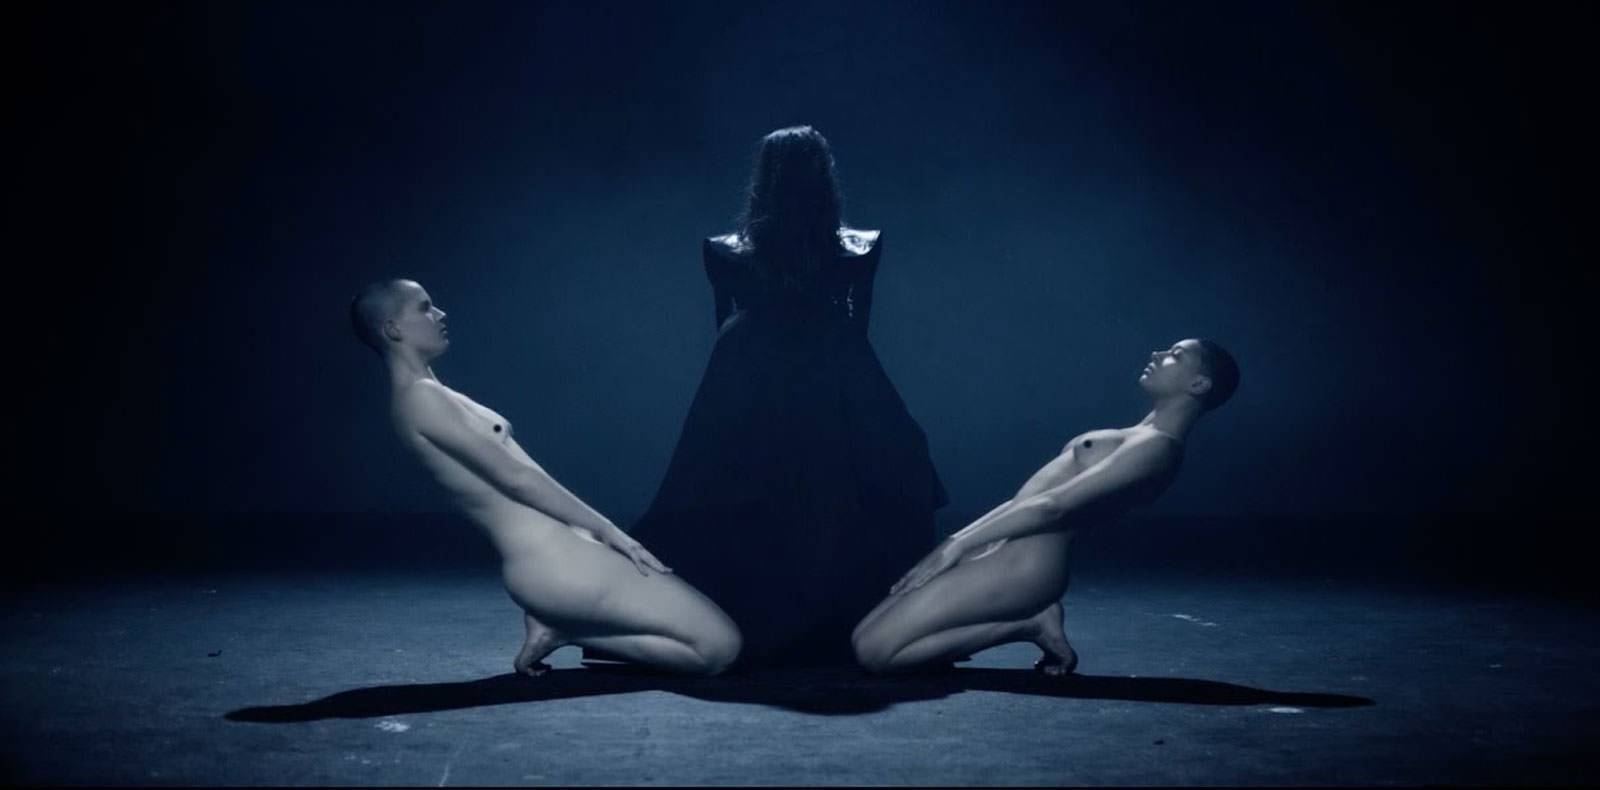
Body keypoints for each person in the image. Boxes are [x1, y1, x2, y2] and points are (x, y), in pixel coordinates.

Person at [623, 126, 947, 667]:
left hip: (753, 376)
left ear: (763, 177)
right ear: (825, 173)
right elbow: (857, 328)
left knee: (732, 484)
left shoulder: (724, 251)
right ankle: (858, 617)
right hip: (833, 373)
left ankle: (732, 618)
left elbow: (724, 327)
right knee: (868, 476)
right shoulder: (860, 246)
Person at [349, 279, 740, 676]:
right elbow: (516, 479)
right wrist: (610, 531)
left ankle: (563, 628)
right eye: (424, 307)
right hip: (554, 563)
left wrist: (591, 532)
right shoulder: (420, 398)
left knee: (715, 641)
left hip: (563, 551)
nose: (440, 314)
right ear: (393, 329)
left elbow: (521, 474)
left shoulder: (433, 392)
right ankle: (568, 629)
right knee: (719, 648)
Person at [851, 338, 1239, 674]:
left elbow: (1054, 507)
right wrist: (956, 543)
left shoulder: (1159, 448)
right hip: (1002, 546)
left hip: (1028, 565)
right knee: (862, 636)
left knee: (874, 653)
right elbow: (1025, 502)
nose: (1157, 354)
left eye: (1175, 355)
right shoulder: (1139, 434)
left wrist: (958, 546)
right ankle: (1030, 619)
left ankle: (1027, 624)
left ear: (1198, 384)